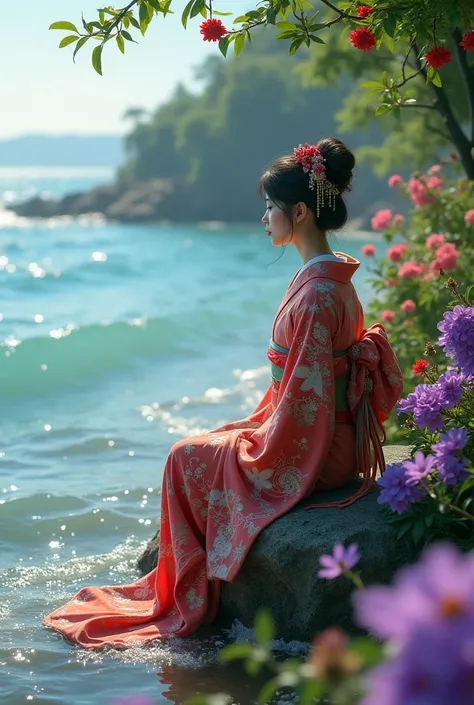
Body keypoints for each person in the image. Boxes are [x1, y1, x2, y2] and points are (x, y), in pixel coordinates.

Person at [44, 137, 403, 649]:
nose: (263, 217)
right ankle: (183, 580)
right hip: (324, 432)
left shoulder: (319, 292)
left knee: (181, 456)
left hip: (321, 451)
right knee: (210, 442)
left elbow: (307, 405)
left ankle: (184, 595)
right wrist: (252, 430)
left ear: (298, 212)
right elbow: (304, 394)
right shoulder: (326, 280)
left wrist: (262, 449)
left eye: (269, 207)